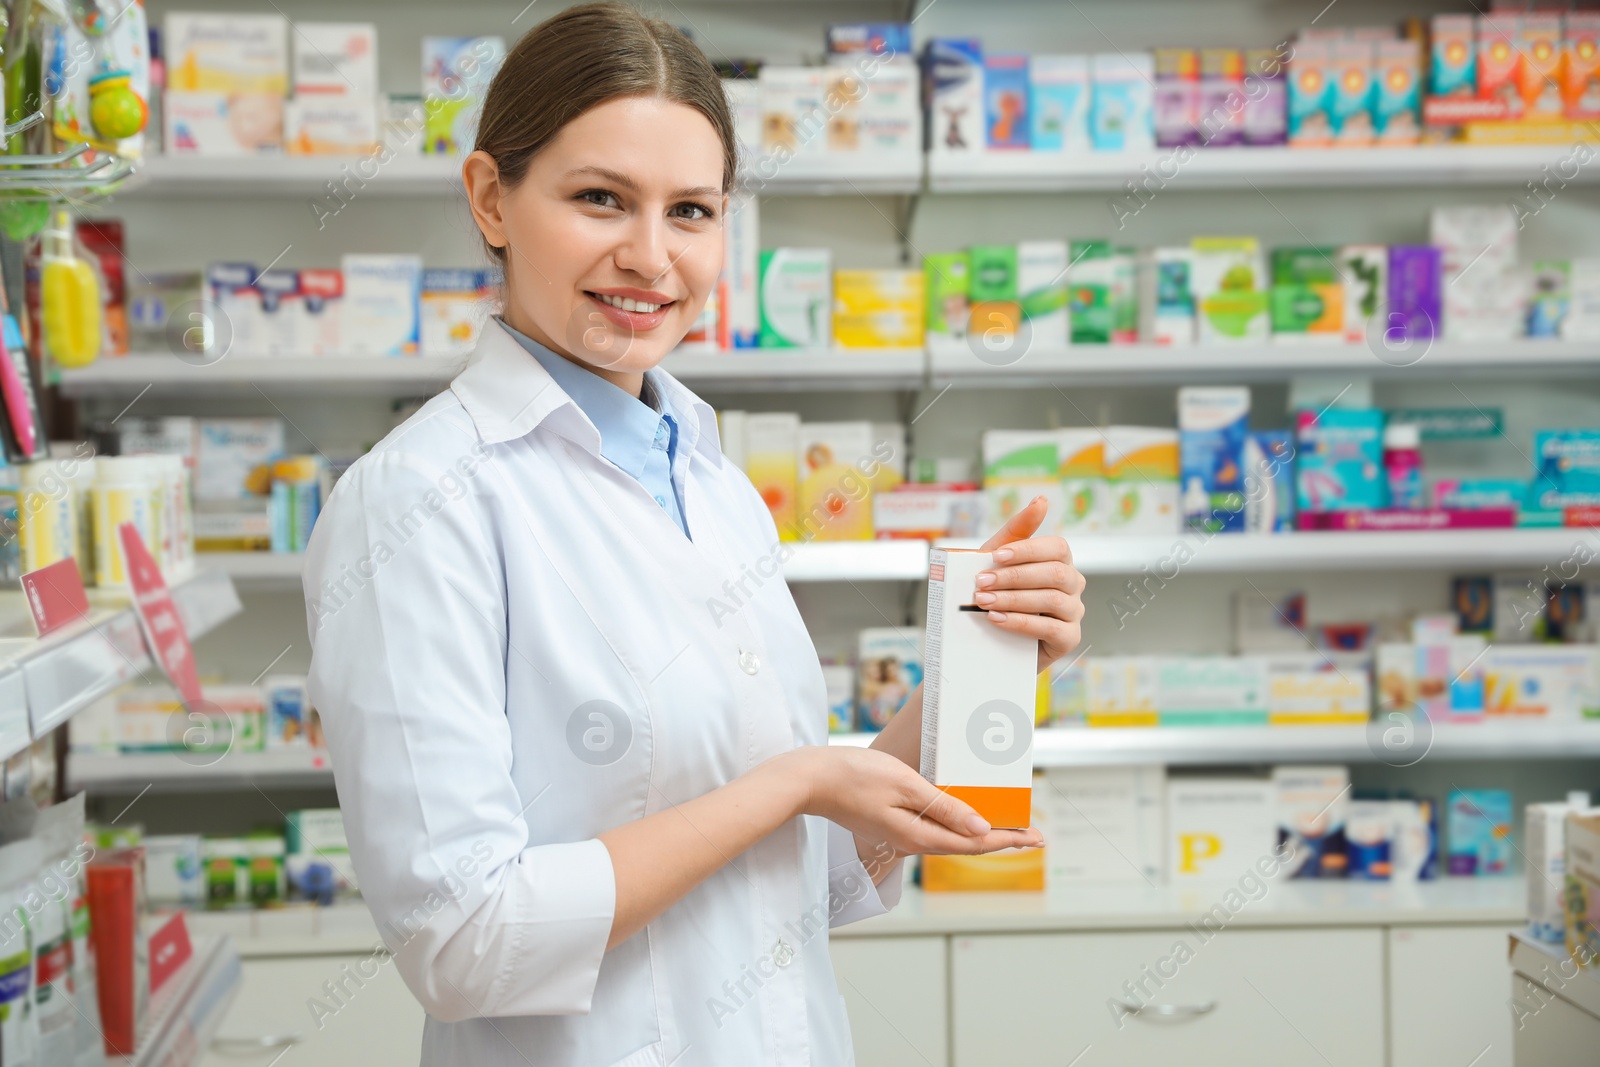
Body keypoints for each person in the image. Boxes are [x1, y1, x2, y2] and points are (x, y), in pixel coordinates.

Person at [303, 5, 1086, 1064]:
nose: (649, 257)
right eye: (598, 200)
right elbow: (461, 939)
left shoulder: (704, 474)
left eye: (690, 211)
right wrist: (793, 781)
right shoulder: (419, 498)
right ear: (492, 197)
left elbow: (804, 871)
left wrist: (982, 653)